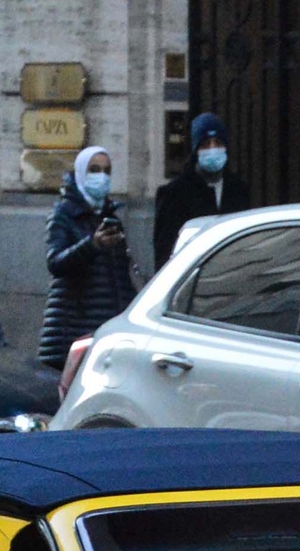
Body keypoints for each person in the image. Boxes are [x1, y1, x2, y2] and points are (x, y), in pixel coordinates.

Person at [38, 146, 137, 370]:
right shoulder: (64, 213)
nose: (101, 176)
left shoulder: (110, 218)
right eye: (94, 169)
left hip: (105, 331)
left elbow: (120, 276)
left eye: (106, 170)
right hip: (72, 330)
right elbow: (55, 262)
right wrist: (92, 245)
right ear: (81, 173)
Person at [152, 113, 252, 270]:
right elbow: (164, 251)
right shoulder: (174, 194)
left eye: (218, 143)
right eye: (206, 144)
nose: (213, 150)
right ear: (195, 150)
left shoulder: (238, 190)